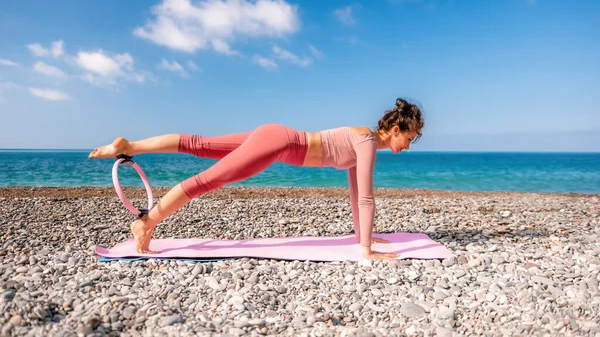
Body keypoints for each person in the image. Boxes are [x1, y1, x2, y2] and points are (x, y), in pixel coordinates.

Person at [89, 98, 424, 260]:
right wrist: (366, 251)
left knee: (199, 145)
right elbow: (366, 197)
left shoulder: (361, 137)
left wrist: (363, 237)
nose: (407, 146)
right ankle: (146, 222)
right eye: (409, 138)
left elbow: (354, 195)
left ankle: (131, 145)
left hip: (274, 134)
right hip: (278, 144)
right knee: (208, 179)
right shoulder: (366, 142)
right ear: (396, 130)